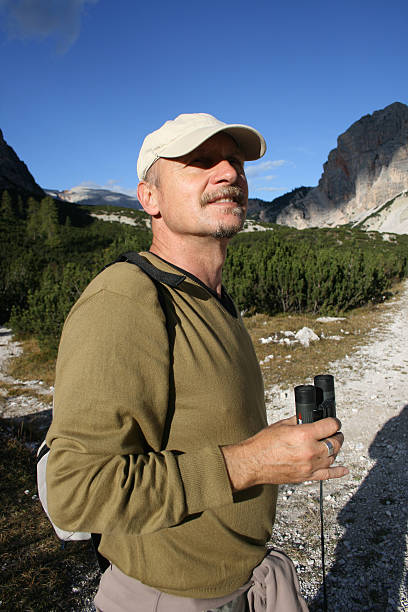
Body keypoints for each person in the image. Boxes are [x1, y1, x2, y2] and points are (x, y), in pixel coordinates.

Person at [46, 113, 348, 611]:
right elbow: (75, 491)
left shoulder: (210, 298)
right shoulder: (126, 299)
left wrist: (276, 448)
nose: (229, 173)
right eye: (200, 162)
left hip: (242, 586)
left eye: (235, 162)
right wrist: (252, 462)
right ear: (150, 198)